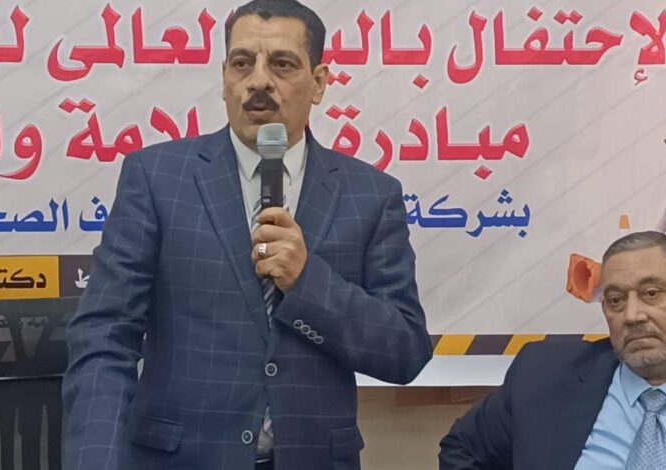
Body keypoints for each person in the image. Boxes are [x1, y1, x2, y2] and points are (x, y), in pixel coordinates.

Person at [62, 1, 432, 469]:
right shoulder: (158, 179)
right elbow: (105, 336)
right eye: (242, 63)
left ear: (319, 82)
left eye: (282, 64)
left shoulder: (371, 195)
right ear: (224, 79)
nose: (258, 81)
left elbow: (404, 352)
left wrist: (308, 283)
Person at [439, 231, 666, 469]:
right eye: (616, 300)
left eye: (651, 294)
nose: (632, 315)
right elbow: (462, 449)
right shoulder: (544, 375)